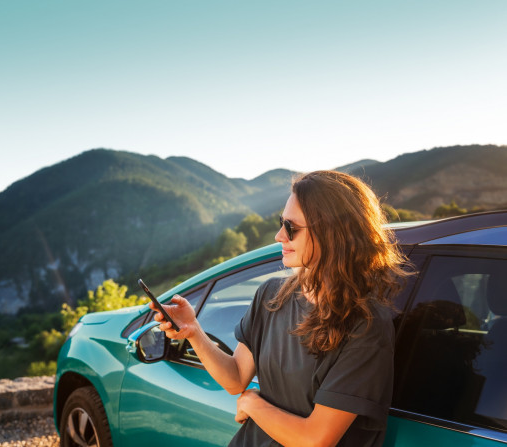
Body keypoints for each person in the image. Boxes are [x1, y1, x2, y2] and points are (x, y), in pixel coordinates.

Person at [152, 170, 410, 447]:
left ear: (333, 234)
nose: (278, 236)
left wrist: (252, 403)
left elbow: (315, 440)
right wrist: (193, 332)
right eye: (281, 223)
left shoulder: (366, 325)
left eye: (291, 228)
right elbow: (236, 378)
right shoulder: (272, 295)